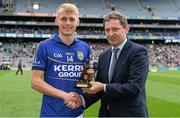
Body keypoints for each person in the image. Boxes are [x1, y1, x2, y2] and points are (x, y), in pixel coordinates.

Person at [82, 11, 149, 117]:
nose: (110, 34)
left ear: (126, 29)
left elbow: (134, 88)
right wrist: (80, 100)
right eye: (107, 30)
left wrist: (103, 87)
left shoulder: (138, 52)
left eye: (115, 29)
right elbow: (99, 88)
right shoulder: (103, 56)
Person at [31, 3, 93, 117]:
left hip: (77, 113)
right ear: (56, 21)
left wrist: (87, 79)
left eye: (72, 19)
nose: (68, 23)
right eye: (63, 19)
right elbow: (35, 82)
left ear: (77, 22)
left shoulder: (85, 48)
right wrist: (64, 95)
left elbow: (84, 83)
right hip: (51, 113)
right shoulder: (44, 46)